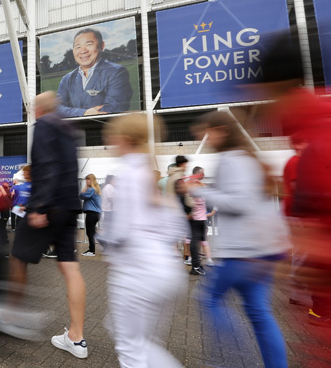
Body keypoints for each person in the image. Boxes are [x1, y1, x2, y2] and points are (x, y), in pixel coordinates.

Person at [188, 110, 290, 368]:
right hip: (263, 250)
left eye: (207, 134)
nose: (206, 140)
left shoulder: (230, 160)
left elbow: (240, 202)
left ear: (222, 131)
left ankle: (232, 360)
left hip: (242, 251)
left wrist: (202, 191)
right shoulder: (248, 158)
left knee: (209, 299)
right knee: (259, 313)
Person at [100, 113, 186, 368]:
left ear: (125, 139)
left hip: (136, 271)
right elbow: (175, 225)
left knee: (130, 348)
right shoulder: (149, 173)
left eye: (112, 137)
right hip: (165, 271)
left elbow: (123, 230)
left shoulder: (127, 172)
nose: (109, 142)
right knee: (139, 340)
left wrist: (105, 240)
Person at [8, 91, 88, 359]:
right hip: (69, 205)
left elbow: (47, 166)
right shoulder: (68, 129)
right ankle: (77, 337)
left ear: (38, 109)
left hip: (49, 205)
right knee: (70, 267)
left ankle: (12, 314)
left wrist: (39, 207)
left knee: (18, 257)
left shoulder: (43, 125)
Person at [56, 28, 133, 118]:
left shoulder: (116, 72)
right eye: (78, 47)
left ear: (102, 46)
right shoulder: (67, 79)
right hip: (75, 131)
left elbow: (114, 108)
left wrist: (71, 113)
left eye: (89, 44)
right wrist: (84, 113)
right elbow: (57, 109)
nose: (83, 51)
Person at [79, 173, 102, 257]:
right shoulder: (96, 189)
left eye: (87, 180)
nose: (86, 182)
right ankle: (105, 245)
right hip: (96, 214)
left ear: (91, 180)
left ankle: (92, 251)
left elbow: (81, 196)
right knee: (93, 232)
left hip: (91, 213)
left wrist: (84, 188)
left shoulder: (91, 189)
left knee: (90, 233)